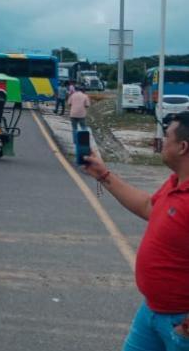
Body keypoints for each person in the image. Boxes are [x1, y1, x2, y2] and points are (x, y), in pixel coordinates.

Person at [81, 114, 189, 350]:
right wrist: (103, 175)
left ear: (182, 147)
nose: (161, 140)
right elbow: (147, 207)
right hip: (151, 310)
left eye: (167, 136)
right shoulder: (175, 183)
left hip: (181, 323)